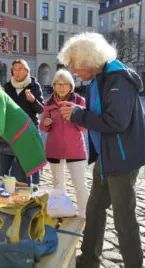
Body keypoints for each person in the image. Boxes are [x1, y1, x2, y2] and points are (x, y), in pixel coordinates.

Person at [57, 32, 145, 268]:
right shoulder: (101, 78)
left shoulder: (117, 80)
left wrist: (79, 115)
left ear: (89, 60)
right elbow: (100, 114)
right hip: (108, 155)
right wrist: (79, 113)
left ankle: (134, 265)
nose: (74, 72)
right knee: (94, 209)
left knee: (124, 218)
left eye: (76, 66)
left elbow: (116, 122)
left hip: (122, 159)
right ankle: (90, 257)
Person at [39, 69, 88, 218]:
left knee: (80, 184)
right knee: (58, 184)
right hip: (55, 149)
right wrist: (46, 123)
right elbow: (42, 127)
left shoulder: (79, 102)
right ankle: (63, 210)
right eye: (58, 84)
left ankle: (84, 213)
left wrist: (74, 117)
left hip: (76, 149)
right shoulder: (49, 103)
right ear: (54, 86)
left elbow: (84, 128)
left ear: (71, 86)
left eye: (64, 84)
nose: (61, 87)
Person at [0, 59, 44, 185]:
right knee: (1, 173)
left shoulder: (34, 86)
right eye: (14, 70)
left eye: (20, 69)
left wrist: (33, 100)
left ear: (27, 70)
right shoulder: (7, 86)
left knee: (23, 170)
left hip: (28, 132)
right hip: (10, 133)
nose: (17, 72)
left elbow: (40, 109)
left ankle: (30, 190)